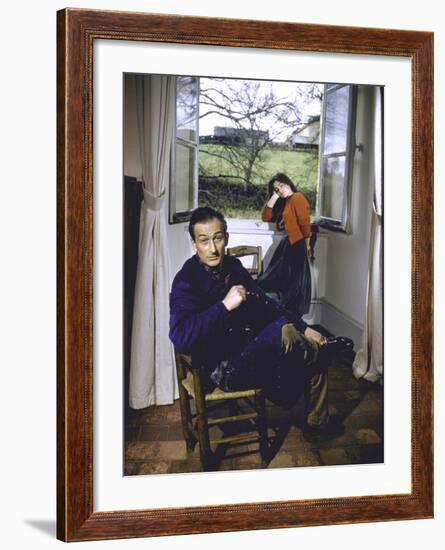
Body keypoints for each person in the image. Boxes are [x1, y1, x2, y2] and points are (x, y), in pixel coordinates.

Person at [169, 206, 343, 436]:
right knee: (291, 336)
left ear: (226, 238)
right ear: (194, 244)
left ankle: (317, 422)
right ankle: (323, 353)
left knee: (293, 333)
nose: (212, 248)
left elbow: (265, 304)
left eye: (218, 238)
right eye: (203, 241)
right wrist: (224, 306)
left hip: (249, 350)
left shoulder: (233, 267)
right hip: (221, 370)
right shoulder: (186, 281)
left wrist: (306, 328)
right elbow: (180, 337)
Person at [258, 173, 312, 316]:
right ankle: (281, 313)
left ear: (288, 183)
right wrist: (275, 196)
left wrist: (307, 244)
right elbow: (265, 217)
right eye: (276, 189)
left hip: (297, 244)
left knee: (292, 283)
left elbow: (305, 223)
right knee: (279, 280)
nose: (279, 190)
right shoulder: (285, 201)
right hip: (288, 244)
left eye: (281, 185)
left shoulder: (297, 198)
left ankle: (291, 315)